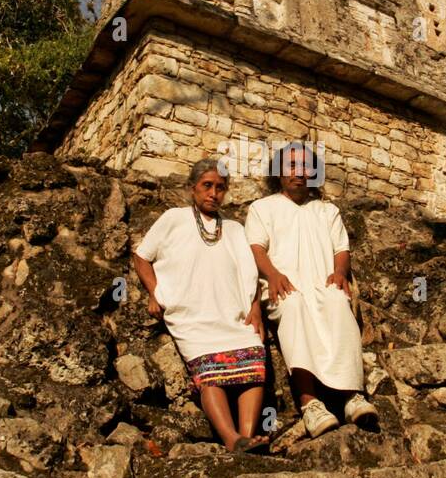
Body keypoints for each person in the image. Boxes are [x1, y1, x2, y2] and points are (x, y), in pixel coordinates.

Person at [133, 159, 270, 453]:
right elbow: (142, 256)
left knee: (255, 360)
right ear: (192, 188)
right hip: (191, 317)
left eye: (220, 188)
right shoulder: (173, 218)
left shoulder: (234, 228)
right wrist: (154, 293)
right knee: (210, 375)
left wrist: (255, 307)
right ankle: (232, 439)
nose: (213, 193)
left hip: (231, 315)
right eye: (207, 186)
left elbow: (250, 274)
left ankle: (248, 436)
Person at [245, 141, 379, 438]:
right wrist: (273, 274)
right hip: (284, 286)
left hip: (322, 282)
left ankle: (351, 397)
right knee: (293, 308)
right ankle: (311, 404)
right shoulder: (261, 209)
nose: (299, 172)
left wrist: (340, 273)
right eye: (291, 165)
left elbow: (341, 249)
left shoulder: (326, 211)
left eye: (305, 166)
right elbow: (256, 248)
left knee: (337, 303)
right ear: (279, 172)